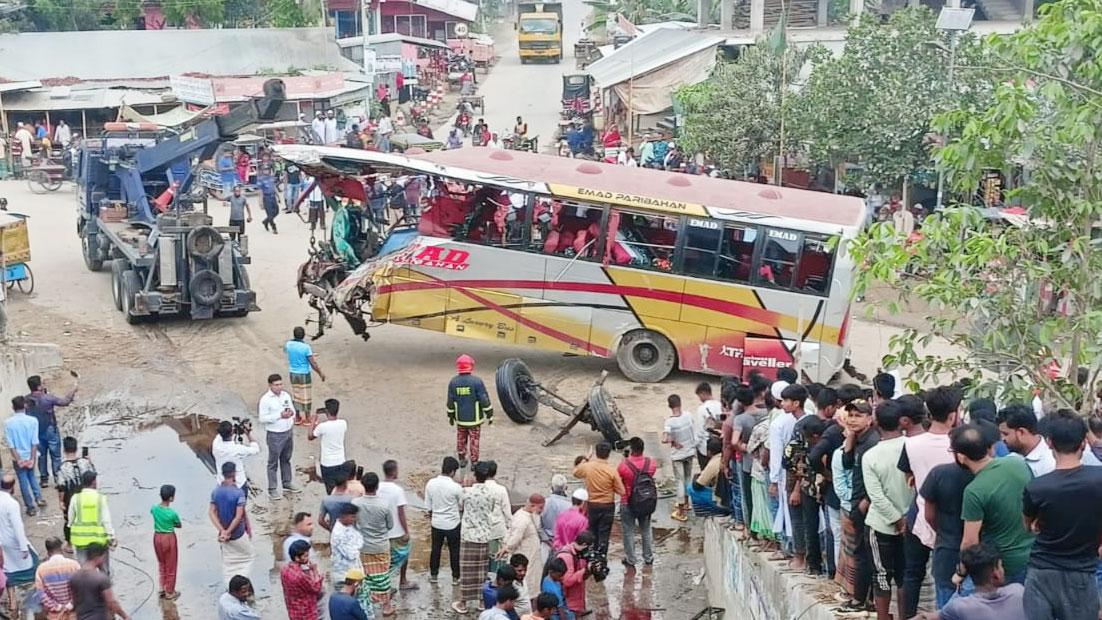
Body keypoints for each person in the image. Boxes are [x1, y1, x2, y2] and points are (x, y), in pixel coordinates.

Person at [1021, 410, 1102, 620]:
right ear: (1084, 442)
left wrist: (1038, 523)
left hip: (1041, 570)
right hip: (1081, 573)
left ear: (1049, 443)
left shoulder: (1036, 488)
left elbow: (1027, 527)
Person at [894, 386, 959, 615]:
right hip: (954, 517)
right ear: (954, 414)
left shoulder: (911, 444)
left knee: (912, 572)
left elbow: (907, 475)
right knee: (951, 575)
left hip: (919, 513)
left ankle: (909, 616)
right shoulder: (958, 445)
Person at [954, 423, 1033, 584]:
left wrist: (960, 573)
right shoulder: (1017, 463)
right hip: (1032, 555)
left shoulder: (974, 491)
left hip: (1002, 565)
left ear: (961, 457)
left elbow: (970, 542)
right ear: (990, 448)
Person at [860, 400, 913, 620]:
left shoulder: (871, 456)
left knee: (881, 576)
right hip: (911, 522)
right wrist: (905, 519)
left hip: (881, 523)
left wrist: (895, 519)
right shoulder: (912, 446)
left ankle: (883, 617)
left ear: (876, 422)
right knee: (904, 575)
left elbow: (876, 496)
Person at [838, 398, 880, 614]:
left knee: (865, 553)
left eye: (858, 415)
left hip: (866, 504)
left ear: (869, 418)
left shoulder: (873, 441)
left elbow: (875, 479)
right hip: (857, 501)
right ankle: (862, 597)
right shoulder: (859, 438)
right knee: (860, 551)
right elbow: (846, 464)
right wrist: (850, 438)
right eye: (851, 415)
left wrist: (863, 505)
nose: (853, 419)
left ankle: (862, 599)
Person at [914, 543, 1025, 620]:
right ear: (996, 575)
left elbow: (926, 617)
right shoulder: (1018, 592)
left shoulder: (960, 607)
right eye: (1000, 566)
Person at [453, 462, 500, 615]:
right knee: (482, 570)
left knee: (467, 571)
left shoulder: (466, 492)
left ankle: (463, 602)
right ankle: (481, 601)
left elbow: (460, 507)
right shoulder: (491, 493)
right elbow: (492, 509)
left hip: (469, 535)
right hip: (484, 535)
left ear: (475, 476)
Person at [353, 472, 395, 617]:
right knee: (383, 576)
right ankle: (386, 605)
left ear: (363, 486)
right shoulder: (384, 504)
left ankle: (369, 600)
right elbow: (390, 525)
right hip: (381, 546)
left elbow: (353, 523)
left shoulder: (355, 503)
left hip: (364, 546)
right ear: (377, 486)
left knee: (368, 576)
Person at [572, 442, 624, 556]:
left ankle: (590, 557)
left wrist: (586, 458)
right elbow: (622, 491)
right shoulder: (612, 471)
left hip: (592, 505)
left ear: (596, 453)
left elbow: (575, 472)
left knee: (591, 532)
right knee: (604, 534)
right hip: (607, 506)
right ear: (608, 454)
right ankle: (601, 558)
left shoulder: (588, 467)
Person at [26, 374, 75, 488]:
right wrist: (73, 391)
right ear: (39, 386)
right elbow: (65, 402)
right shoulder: (47, 398)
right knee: (55, 455)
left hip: (36, 431)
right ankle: (57, 477)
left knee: (41, 455)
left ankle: (44, 479)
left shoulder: (26, 400)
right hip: (50, 429)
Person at [447, 354, 494, 468]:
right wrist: (489, 413)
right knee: (474, 441)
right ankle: (474, 462)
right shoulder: (477, 382)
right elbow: (484, 399)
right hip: (475, 420)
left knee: (461, 439)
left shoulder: (453, 382)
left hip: (461, 419)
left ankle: (462, 459)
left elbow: (450, 402)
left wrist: (451, 416)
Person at [210, 462, 253, 584]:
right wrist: (229, 531)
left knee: (228, 562)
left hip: (223, 536)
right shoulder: (238, 493)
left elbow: (211, 513)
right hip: (237, 533)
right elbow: (239, 516)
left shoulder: (216, 492)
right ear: (234, 473)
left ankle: (229, 585)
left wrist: (222, 531)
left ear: (222, 474)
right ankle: (241, 583)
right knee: (247, 557)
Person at [617, 436, 657, 568]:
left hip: (627, 501)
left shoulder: (623, 466)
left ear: (631, 449)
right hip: (646, 501)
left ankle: (631, 559)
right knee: (646, 529)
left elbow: (619, 479)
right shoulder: (651, 463)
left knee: (628, 531)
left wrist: (625, 458)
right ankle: (648, 557)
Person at [259, 373, 299, 500]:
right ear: (270, 385)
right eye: (276, 385)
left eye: (281, 384)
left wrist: (291, 416)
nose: (279, 387)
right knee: (273, 462)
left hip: (288, 432)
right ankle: (272, 489)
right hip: (275, 434)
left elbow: (292, 410)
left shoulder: (285, 395)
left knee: (286, 459)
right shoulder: (265, 400)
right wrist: (279, 416)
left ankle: (287, 482)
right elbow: (262, 418)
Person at [68, 470, 116, 573]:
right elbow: (106, 520)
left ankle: (87, 586)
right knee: (104, 570)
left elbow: (70, 519)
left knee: (84, 570)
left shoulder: (75, 498)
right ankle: (103, 586)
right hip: (98, 541)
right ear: (94, 482)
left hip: (80, 541)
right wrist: (111, 537)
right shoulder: (100, 498)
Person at [425, 456, 463, 585]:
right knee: (454, 551)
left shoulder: (431, 484)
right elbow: (461, 505)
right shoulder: (456, 487)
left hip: (436, 523)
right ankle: (455, 577)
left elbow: (428, 507)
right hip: (453, 524)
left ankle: (434, 575)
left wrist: (434, 516)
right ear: (452, 471)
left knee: (435, 549)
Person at [379, 459, 415, 593]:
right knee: (404, 554)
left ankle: (385, 584)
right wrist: (406, 531)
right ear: (394, 472)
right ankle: (403, 580)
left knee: (385, 558)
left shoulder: (378, 487)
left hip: (382, 531)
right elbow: (401, 513)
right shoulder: (397, 490)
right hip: (396, 531)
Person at [5, 395, 44, 514]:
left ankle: (30, 507)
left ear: (13, 407)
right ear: (25, 406)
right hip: (30, 454)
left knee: (23, 481)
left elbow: (11, 445)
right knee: (32, 476)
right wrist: (32, 459)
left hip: (17, 457)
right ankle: (39, 498)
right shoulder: (33, 421)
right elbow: (34, 442)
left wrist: (19, 460)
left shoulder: (8, 423)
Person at [70, 543, 129, 620]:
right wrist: (125, 616)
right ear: (100, 556)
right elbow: (111, 602)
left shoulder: (74, 577)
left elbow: (74, 601)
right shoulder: (101, 578)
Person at [500, 495, 543, 597]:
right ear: (532, 505)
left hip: (531, 553)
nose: (542, 510)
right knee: (527, 578)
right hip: (526, 554)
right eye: (540, 507)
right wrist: (507, 547)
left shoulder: (527, 515)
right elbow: (515, 536)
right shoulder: (522, 519)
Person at [662, 394, 696, 522]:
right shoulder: (688, 415)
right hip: (689, 452)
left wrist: (673, 442)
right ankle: (687, 504)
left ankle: (680, 511)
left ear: (670, 406)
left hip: (678, 455)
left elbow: (665, 438)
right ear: (680, 403)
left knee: (680, 482)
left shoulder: (670, 421)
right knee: (687, 478)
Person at [57, 436, 94, 551]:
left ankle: (69, 544)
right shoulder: (85, 462)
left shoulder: (62, 468)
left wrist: (61, 501)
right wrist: (90, 460)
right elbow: (93, 475)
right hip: (86, 495)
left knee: (69, 521)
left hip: (70, 498)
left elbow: (61, 487)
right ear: (76, 448)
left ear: (64, 450)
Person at [996, 404, 1055, 477]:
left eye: (1006, 434)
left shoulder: (1050, 464)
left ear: (1021, 432)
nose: (1002, 439)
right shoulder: (1011, 459)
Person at [286, 327, 326, 426]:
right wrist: (320, 373)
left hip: (293, 373)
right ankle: (308, 418)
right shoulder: (306, 347)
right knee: (306, 396)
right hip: (304, 373)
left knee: (296, 395)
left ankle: (298, 417)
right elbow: (313, 363)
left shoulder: (289, 344)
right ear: (303, 335)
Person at [35, 536, 80, 620]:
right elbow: (81, 588)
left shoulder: (41, 569)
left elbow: (41, 593)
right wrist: (71, 604)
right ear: (61, 548)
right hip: (74, 613)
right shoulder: (74, 565)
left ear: (48, 552)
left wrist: (57, 606)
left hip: (55, 615)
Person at [0, 474, 35, 581]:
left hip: (2, 541)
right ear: (13, 487)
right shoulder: (12, 504)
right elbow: (17, 527)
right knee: (33, 564)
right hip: (12, 540)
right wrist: (23, 547)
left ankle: (12, 597)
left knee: (7, 569)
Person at [212, 419, 261, 493]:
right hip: (238, 485)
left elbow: (221, 434)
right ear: (231, 432)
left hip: (222, 484)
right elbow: (255, 449)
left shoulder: (216, 444)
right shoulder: (237, 449)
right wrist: (248, 434)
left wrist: (234, 430)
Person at [310, 398, 348, 493]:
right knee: (341, 490)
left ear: (326, 411)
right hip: (340, 461)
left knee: (330, 491)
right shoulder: (343, 423)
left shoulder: (323, 426)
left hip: (327, 463)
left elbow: (310, 436)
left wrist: (312, 421)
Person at [152, 484, 182, 600]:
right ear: (171, 498)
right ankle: (169, 591)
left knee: (161, 563)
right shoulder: (172, 513)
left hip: (157, 537)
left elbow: (153, 513)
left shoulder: (154, 508)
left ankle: (162, 587)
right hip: (168, 538)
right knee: (171, 565)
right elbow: (178, 525)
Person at [281, 539, 324, 620]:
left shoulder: (284, 569)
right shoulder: (300, 576)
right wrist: (314, 571)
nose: (307, 558)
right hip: (307, 613)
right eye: (305, 556)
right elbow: (316, 589)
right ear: (297, 558)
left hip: (293, 611)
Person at [555, 530, 593, 617]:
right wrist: (585, 570)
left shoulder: (579, 553)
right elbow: (567, 581)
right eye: (589, 547)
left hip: (577, 597)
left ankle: (579, 610)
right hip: (567, 601)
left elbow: (582, 574)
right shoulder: (566, 556)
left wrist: (590, 570)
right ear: (584, 544)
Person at [330, 503, 364, 583]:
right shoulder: (339, 534)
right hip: (344, 575)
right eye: (352, 517)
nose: (354, 519)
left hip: (352, 571)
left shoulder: (348, 526)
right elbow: (351, 554)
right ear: (343, 516)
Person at [539, 474, 571, 558]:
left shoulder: (544, 504)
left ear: (551, 487)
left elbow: (539, 526)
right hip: (564, 544)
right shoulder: (570, 507)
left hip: (546, 543)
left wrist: (547, 540)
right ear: (566, 488)